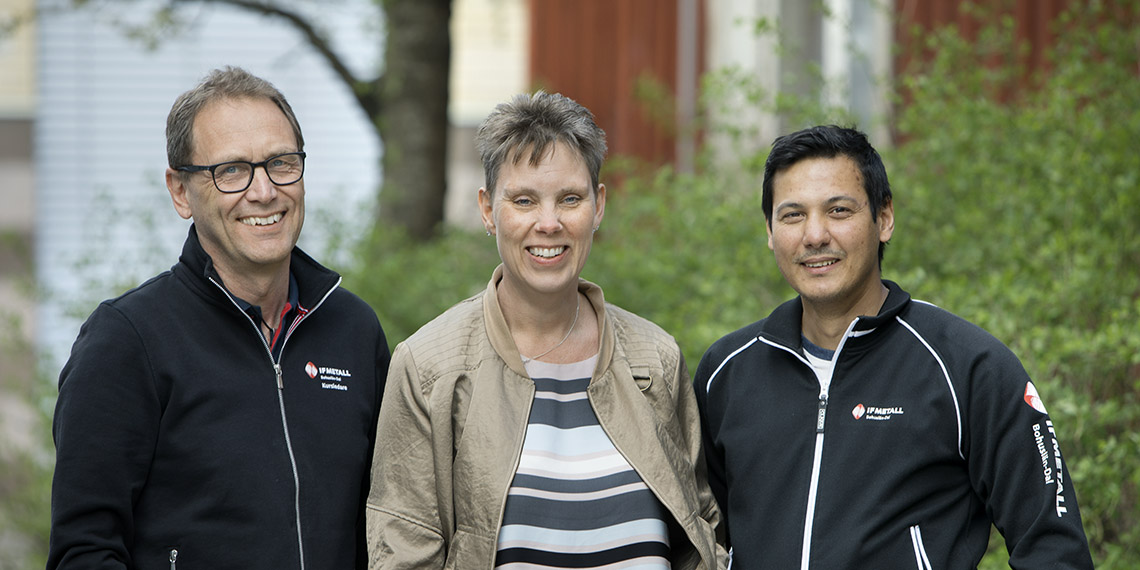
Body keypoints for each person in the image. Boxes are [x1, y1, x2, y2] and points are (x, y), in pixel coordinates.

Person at [692, 124, 1094, 569]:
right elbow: (703, 536)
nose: (814, 235)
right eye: (792, 215)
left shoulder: (968, 367)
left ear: (884, 219)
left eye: (839, 210)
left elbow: (1054, 548)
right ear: (769, 231)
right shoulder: (725, 373)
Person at [364, 91, 726, 569]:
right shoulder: (429, 368)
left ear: (598, 207)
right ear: (488, 210)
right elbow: (404, 554)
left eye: (570, 199)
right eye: (524, 200)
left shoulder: (654, 359)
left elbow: (700, 534)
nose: (549, 223)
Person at [47, 66, 390, 569]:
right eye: (231, 170)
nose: (264, 191)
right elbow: (84, 552)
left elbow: (389, 526)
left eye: (281, 162)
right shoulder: (128, 342)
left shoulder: (353, 330)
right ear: (181, 191)